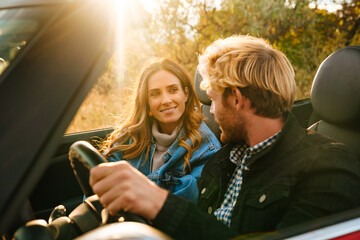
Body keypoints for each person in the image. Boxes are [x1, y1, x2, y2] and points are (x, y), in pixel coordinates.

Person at [90, 35, 360, 239]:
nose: (212, 112)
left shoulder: (329, 170)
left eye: (214, 101)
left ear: (237, 99)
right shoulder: (224, 159)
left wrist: (159, 202)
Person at [100, 58, 221, 203]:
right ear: (147, 101)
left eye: (173, 90)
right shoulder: (130, 136)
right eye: (155, 94)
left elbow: (180, 205)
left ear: (186, 94)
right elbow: (100, 181)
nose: (166, 100)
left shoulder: (206, 148)